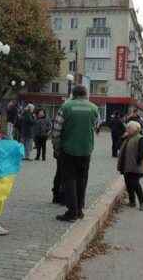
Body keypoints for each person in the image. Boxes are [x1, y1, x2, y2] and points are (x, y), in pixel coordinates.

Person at [52, 85, 99, 222]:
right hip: (86, 149)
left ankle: (72, 211)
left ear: (73, 94)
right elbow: (96, 126)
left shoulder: (66, 107)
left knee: (69, 179)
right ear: (85, 94)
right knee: (82, 179)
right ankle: (79, 209)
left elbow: (56, 130)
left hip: (68, 149)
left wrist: (56, 146)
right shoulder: (94, 108)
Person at [117, 121, 143, 211]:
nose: (127, 129)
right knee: (128, 184)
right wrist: (123, 137)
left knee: (136, 185)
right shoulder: (127, 138)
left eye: (129, 128)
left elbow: (142, 153)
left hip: (135, 167)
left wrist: (137, 162)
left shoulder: (140, 138)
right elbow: (118, 146)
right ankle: (132, 201)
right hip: (126, 166)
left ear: (135, 129)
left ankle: (142, 202)